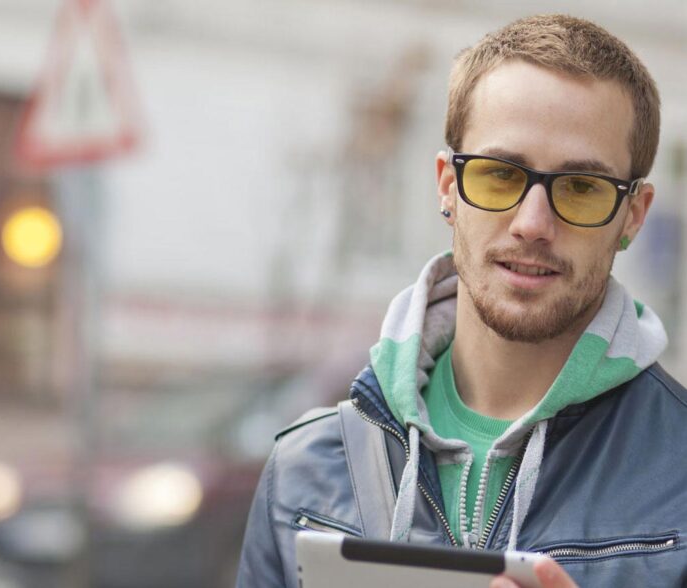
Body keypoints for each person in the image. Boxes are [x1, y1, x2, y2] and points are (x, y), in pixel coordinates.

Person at [237, 14, 687, 588]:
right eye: (501, 176)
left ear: (634, 215)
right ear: (448, 186)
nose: (532, 224)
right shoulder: (304, 472)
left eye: (581, 187)